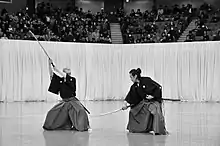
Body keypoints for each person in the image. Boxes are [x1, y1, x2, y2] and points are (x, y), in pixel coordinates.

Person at [43, 59, 90, 131]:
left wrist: (56, 70)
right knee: (52, 113)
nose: (69, 74)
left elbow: (65, 77)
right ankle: (59, 125)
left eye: (69, 73)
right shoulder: (60, 81)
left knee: (80, 112)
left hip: (72, 101)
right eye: (67, 72)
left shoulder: (72, 79)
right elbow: (52, 75)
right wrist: (49, 65)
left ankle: (83, 127)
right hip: (64, 102)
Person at [122, 68, 168, 135]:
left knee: (155, 111)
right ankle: (137, 128)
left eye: (131, 77)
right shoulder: (134, 86)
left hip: (153, 102)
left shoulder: (147, 80)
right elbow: (130, 96)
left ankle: (158, 131)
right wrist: (125, 104)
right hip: (143, 103)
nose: (131, 79)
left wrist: (153, 96)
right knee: (133, 111)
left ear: (135, 76)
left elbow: (158, 87)